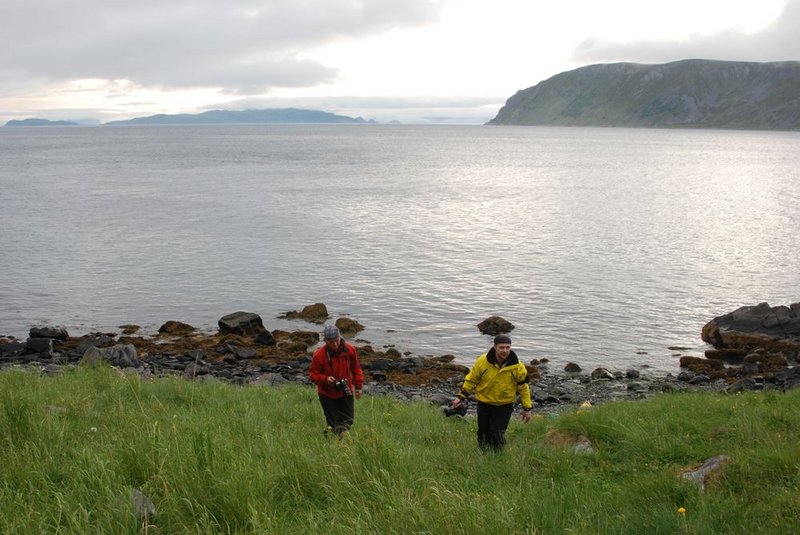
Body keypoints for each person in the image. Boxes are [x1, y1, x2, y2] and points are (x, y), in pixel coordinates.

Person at [451, 334, 533, 450]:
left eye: (507, 347)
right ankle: (483, 456)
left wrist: (527, 409)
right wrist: (460, 397)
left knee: (497, 434)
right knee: (483, 434)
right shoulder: (482, 362)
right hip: (484, 404)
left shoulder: (517, 367)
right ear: (495, 347)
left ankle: (498, 458)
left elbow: (523, 388)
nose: (505, 350)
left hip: (505, 405)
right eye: (501, 347)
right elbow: (471, 380)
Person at [309, 324, 364, 437]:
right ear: (325, 341)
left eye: (336, 340)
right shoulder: (319, 355)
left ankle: (334, 437)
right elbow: (313, 375)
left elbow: (356, 368)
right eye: (331, 341)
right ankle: (335, 442)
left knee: (348, 420)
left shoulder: (350, 350)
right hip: (327, 393)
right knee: (333, 423)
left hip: (345, 390)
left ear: (340, 337)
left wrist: (358, 387)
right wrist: (325, 379)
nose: (334, 344)